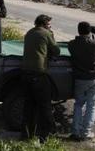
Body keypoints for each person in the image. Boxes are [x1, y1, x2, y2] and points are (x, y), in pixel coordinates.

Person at [20, 14, 60, 142]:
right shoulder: (45, 33)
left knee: (29, 106)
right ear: (44, 24)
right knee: (44, 106)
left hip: (25, 74)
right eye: (49, 24)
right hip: (39, 73)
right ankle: (46, 135)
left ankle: (26, 135)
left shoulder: (29, 32)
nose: (50, 26)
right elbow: (57, 51)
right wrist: (51, 35)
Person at [67, 21, 95, 141]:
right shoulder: (93, 43)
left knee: (78, 105)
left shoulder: (72, 44)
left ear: (78, 31)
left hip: (80, 79)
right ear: (89, 31)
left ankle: (75, 132)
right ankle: (86, 132)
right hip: (94, 79)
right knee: (91, 106)